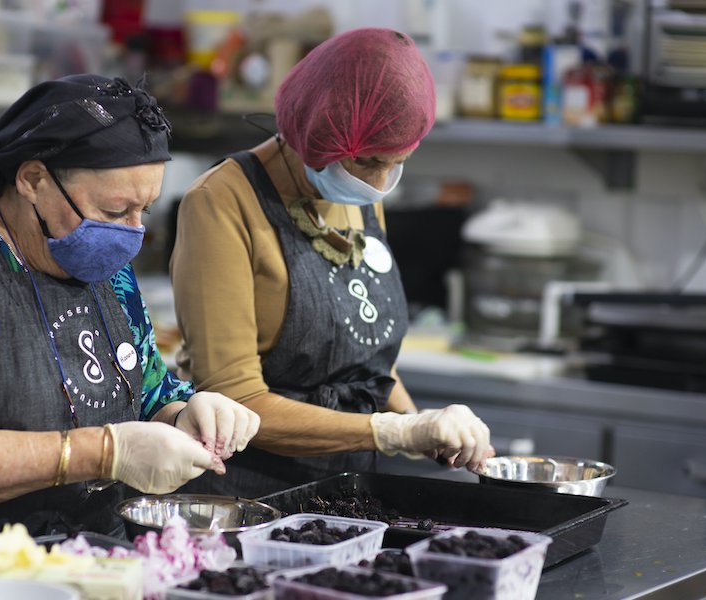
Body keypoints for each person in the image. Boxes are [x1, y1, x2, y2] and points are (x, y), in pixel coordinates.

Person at [0, 74, 259, 542]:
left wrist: (185, 413)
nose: (132, 230)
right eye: (113, 210)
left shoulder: (103, 260)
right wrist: (104, 451)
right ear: (33, 179)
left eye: (144, 209)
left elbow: (147, 392)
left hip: (99, 561)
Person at [170, 28, 493, 499]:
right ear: (312, 130)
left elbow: (364, 359)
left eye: (396, 163)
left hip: (350, 490)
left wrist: (425, 428)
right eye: (367, 161)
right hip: (245, 497)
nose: (379, 184)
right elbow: (237, 400)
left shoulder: (355, 190)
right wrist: (394, 433)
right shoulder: (221, 202)